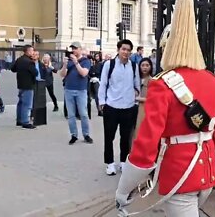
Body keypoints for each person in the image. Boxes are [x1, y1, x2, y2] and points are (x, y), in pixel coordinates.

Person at [115, 0, 215, 217]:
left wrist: (124, 187)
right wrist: (207, 145)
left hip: (179, 174)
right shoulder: (213, 81)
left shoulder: (161, 85)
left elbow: (146, 143)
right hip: (207, 171)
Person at [98, 39, 140, 176]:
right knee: (109, 136)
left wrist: (136, 97)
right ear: (118, 50)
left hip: (128, 107)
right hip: (111, 106)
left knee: (125, 136)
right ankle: (110, 163)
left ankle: (123, 161)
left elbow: (137, 84)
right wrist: (101, 102)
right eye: (123, 49)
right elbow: (103, 84)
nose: (126, 52)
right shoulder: (109, 65)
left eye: (128, 50)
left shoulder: (133, 66)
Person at [59, 41, 93, 145]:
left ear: (80, 49)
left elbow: (84, 73)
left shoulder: (86, 61)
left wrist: (76, 63)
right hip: (69, 90)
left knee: (83, 113)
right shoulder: (69, 60)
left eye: (75, 48)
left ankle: (86, 134)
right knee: (71, 115)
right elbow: (62, 74)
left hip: (81, 90)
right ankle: (74, 135)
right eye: (72, 48)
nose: (73, 50)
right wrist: (65, 65)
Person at [10, 45, 37, 129]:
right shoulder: (29, 62)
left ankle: (19, 120)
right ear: (28, 51)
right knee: (27, 104)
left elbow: (13, 69)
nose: (33, 53)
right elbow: (35, 72)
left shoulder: (19, 59)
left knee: (20, 103)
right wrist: (35, 62)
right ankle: (25, 122)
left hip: (20, 84)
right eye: (32, 51)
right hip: (28, 85)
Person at [135, 57, 154, 137]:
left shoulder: (152, 81)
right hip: (132, 109)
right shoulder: (136, 79)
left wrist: (139, 99)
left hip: (143, 110)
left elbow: (153, 99)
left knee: (139, 132)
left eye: (147, 65)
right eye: (142, 65)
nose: (145, 67)